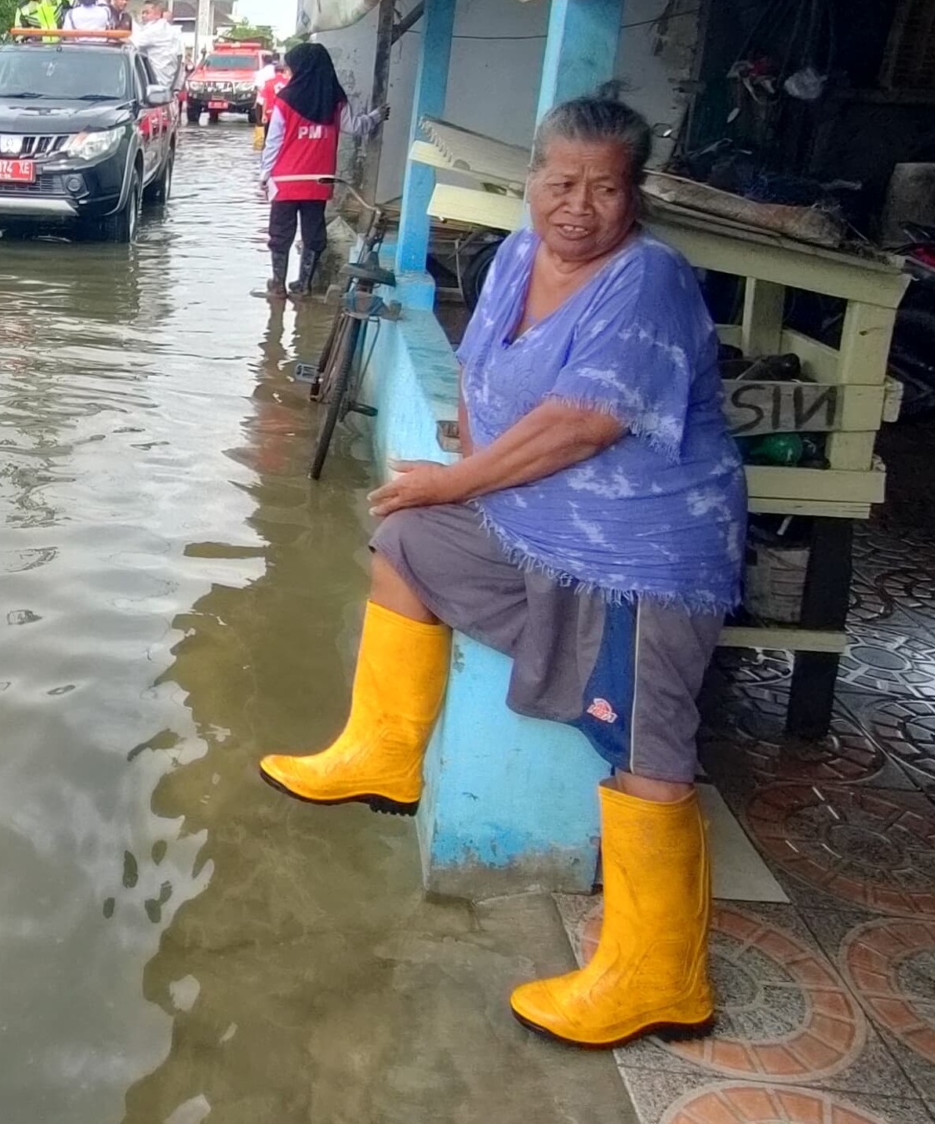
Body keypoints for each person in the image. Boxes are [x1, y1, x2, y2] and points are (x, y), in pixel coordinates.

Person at [258, 96, 746, 1051]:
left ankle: (663, 980)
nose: (579, 208)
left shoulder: (648, 278)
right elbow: (481, 380)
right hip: (535, 528)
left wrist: (458, 480)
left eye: (605, 189)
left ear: (634, 195)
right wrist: (468, 488)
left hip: (643, 554)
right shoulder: (519, 256)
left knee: (645, 747)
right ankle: (383, 755)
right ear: (531, 180)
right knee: (411, 541)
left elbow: (583, 422)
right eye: (561, 183)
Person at [256, 42, 376, 298]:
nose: (289, 71)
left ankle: (277, 285)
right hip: (319, 182)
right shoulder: (335, 99)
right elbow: (355, 127)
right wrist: (375, 117)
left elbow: (273, 142)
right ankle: (304, 285)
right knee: (313, 233)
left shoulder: (285, 99)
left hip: (285, 181)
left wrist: (264, 176)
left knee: (280, 233)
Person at [131, 0, 182, 102]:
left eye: (147, 13)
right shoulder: (170, 30)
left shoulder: (154, 30)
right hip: (167, 82)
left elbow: (131, 43)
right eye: (143, 13)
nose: (143, 16)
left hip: (156, 83)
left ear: (157, 14)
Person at [253, 59, 288, 149]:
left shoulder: (268, 82)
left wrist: (263, 114)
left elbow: (265, 99)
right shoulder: (288, 82)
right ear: (284, 71)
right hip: (285, 113)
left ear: (274, 71)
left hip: (270, 112)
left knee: (268, 137)